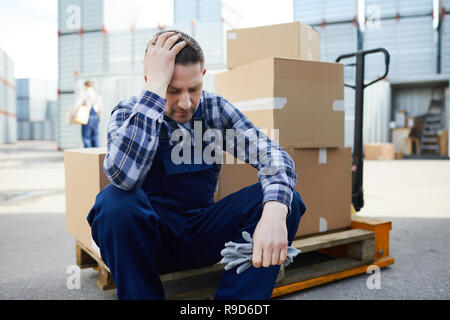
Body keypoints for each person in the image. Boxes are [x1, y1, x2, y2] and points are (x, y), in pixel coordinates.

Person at [87, 30, 306, 300]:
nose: (186, 102)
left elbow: (273, 155)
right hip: (148, 242)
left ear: (203, 78)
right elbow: (122, 177)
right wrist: (154, 93)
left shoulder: (214, 109)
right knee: (114, 203)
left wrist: (274, 213)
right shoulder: (128, 112)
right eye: (172, 90)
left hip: (202, 235)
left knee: (286, 200)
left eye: (194, 89)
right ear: (150, 81)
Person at [73, 81, 103, 148]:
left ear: (86, 86)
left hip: (86, 117)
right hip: (95, 117)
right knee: (95, 136)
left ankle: (89, 155)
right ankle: (96, 154)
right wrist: (100, 119)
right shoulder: (97, 95)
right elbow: (100, 109)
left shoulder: (83, 94)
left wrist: (74, 113)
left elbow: (77, 105)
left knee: (86, 137)